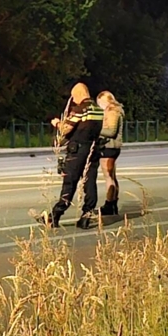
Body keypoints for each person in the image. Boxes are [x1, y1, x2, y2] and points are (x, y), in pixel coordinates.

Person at [39, 82, 105, 229]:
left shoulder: (80, 109)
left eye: (74, 97)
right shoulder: (99, 110)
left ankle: (55, 215)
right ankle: (86, 216)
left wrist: (57, 123)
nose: (73, 100)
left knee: (69, 182)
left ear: (80, 94)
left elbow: (66, 129)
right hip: (93, 150)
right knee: (89, 183)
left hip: (77, 151)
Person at [96, 90, 125, 215]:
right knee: (112, 176)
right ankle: (113, 204)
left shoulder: (112, 112)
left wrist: (96, 129)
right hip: (112, 147)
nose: (99, 106)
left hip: (109, 147)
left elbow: (111, 132)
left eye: (100, 103)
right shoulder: (115, 111)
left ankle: (109, 204)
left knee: (108, 177)